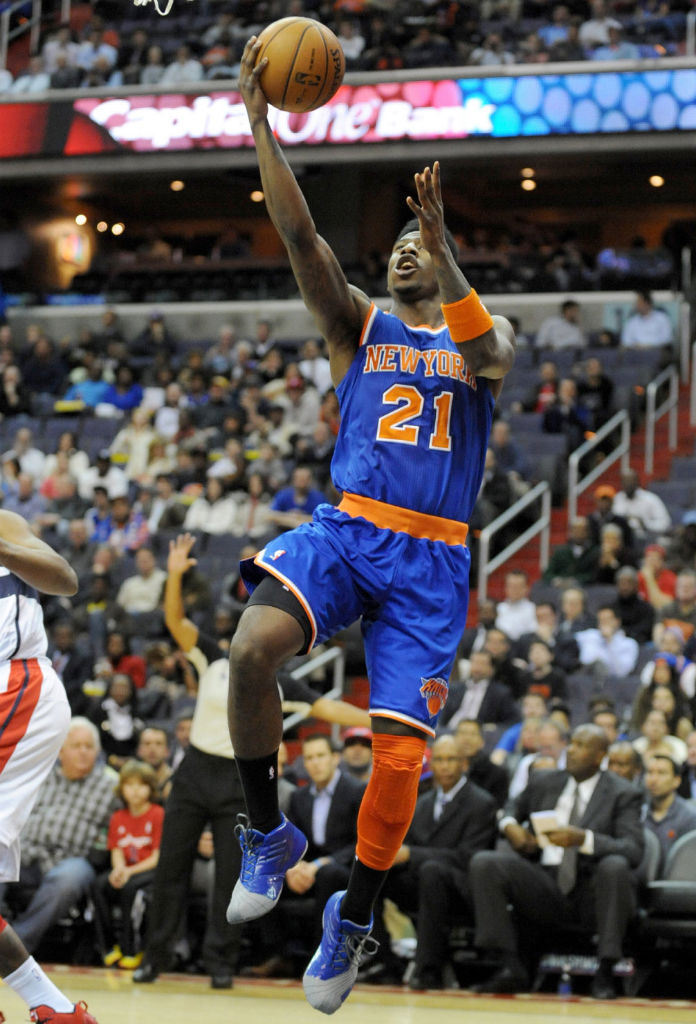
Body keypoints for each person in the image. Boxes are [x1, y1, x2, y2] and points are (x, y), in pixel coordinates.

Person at [229, 38, 516, 1017]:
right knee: (252, 645)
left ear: (441, 258)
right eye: (397, 240)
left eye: (417, 242)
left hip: (431, 556)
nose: (403, 248)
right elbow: (302, 236)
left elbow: (492, 353)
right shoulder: (361, 326)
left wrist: (450, 249)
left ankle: (354, 916)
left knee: (398, 757)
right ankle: (267, 832)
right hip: (349, 528)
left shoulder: (482, 335)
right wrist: (262, 123)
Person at [0, 511, 100, 1024]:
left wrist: (4, 549)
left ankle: (55, 1006)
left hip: (16, 684)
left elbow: (65, 578)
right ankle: (56, 1009)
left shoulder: (3, 523)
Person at [470, 724, 644, 999]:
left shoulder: (622, 793)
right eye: (571, 743)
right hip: (546, 883)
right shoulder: (545, 781)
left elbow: (633, 849)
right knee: (485, 862)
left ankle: (606, 971)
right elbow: (512, 807)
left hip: (592, 889)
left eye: (581, 745)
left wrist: (583, 839)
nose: (571, 750)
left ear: (600, 756)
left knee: (616, 866)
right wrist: (510, 824)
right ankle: (509, 966)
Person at [93, 760, 164, 969]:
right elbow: (116, 850)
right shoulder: (118, 817)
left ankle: (131, 949)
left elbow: (156, 858)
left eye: (141, 785)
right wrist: (118, 870)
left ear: (150, 789)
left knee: (130, 889)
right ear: (121, 788)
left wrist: (128, 872)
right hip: (127, 868)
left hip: (149, 870)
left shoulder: (157, 814)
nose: (135, 791)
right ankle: (108, 946)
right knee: (97, 885)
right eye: (129, 785)